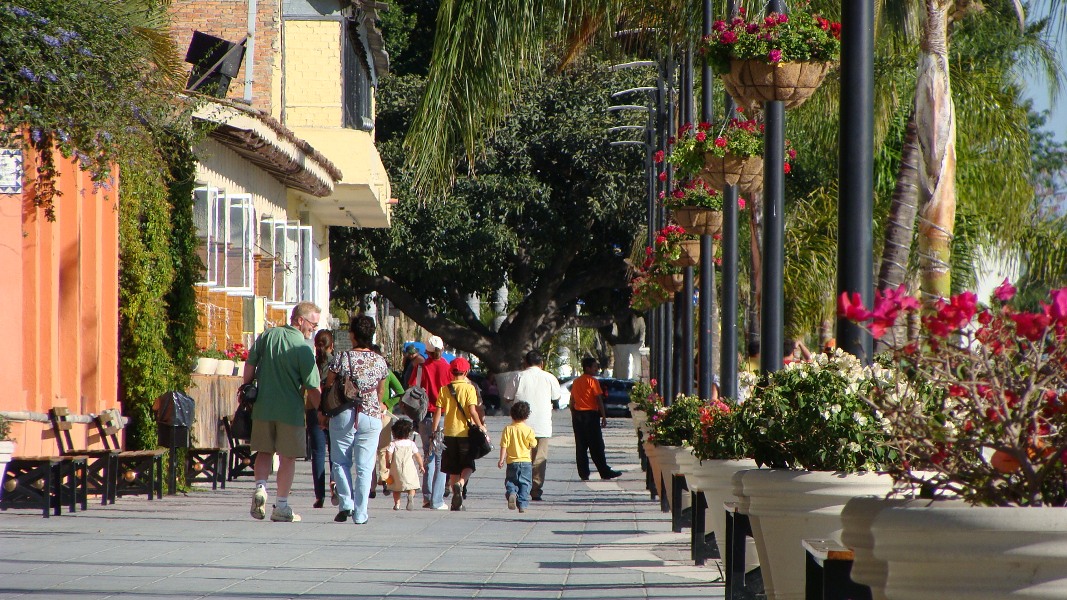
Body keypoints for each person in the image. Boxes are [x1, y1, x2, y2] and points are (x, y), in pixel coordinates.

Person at [243, 301, 322, 523]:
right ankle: (282, 506)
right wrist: (322, 412)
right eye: (312, 324)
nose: (313, 329)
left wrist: (247, 387)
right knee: (287, 458)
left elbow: (249, 365)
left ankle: (260, 488)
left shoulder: (268, 336)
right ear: (300, 320)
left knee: (264, 452)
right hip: (291, 411)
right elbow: (312, 386)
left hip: (263, 407)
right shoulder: (304, 348)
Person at [325, 316, 389, 525]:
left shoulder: (343, 357)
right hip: (370, 414)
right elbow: (381, 390)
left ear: (352, 335)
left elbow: (329, 382)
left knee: (340, 461)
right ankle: (361, 513)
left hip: (345, 412)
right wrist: (378, 406)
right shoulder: (380, 360)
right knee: (365, 467)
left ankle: (346, 503)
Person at [505, 350, 560, 501]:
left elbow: (507, 398)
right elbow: (557, 397)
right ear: (541, 363)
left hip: (521, 425)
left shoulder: (518, 376)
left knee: (519, 458)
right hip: (542, 426)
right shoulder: (549, 377)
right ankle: (535, 490)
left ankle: (517, 488)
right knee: (539, 459)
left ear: (525, 363)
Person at [433, 356, 485, 511]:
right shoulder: (470, 388)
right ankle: (460, 484)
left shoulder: (444, 389)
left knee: (453, 467)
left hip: (449, 433)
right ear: (467, 371)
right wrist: (480, 426)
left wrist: (435, 430)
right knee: (469, 464)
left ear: (451, 371)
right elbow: (472, 411)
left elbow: (438, 412)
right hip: (465, 433)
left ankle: (457, 502)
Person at [408, 335, 453, 510]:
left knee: (428, 455)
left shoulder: (420, 368)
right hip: (442, 416)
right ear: (441, 349)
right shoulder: (447, 367)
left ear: (426, 351)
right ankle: (437, 499)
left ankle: (427, 497)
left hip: (423, 415)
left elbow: (412, 388)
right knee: (440, 458)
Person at [569, 357, 622, 481]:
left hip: (578, 416)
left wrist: (573, 413)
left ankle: (583, 473)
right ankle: (604, 471)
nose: (596, 369)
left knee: (581, 446)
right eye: (594, 367)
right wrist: (603, 415)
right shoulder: (592, 381)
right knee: (597, 445)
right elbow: (598, 398)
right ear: (587, 368)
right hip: (590, 416)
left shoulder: (576, 381)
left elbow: (572, 400)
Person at [496, 400, 537, 513]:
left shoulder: (508, 429)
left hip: (512, 462)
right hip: (526, 462)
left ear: (512, 414)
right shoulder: (529, 430)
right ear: (527, 415)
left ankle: (512, 493)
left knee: (511, 481)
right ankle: (522, 504)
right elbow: (533, 444)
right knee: (525, 483)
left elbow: (504, 445)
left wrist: (501, 460)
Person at [309, 329, 334, 509]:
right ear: (331, 346)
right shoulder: (336, 363)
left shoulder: (311, 363)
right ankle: (336, 485)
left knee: (318, 453)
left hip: (313, 408)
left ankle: (320, 496)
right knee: (336, 452)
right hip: (333, 410)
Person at [385, 417, 424, 511]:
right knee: (412, 486)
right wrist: (421, 465)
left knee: (396, 488)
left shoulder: (393, 443)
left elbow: (388, 454)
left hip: (396, 468)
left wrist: (388, 463)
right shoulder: (411, 443)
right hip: (409, 468)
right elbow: (417, 455)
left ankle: (397, 504)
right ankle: (410, 496)